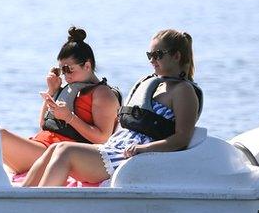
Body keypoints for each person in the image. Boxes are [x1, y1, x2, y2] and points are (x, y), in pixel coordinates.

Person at [22, 29, 203, 187]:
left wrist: (143, 149)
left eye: (158, 55)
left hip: (130, 157)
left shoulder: (184, 91)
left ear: (177, 56)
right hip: (115, 148)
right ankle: (21, 199)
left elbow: (182, 139)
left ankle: (40, 210)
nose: (152, 61)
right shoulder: (155, 85)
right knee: (57, 148)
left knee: (66, 151)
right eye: (150, 55)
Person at [0, 27, 121, 175]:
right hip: (41, 145)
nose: (65, 75)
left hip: (58, 154)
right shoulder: (69, 89)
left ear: (87, 66)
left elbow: (103, 138)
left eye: (68, 69)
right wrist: (52, 90)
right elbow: (44, 124)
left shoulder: (102, 94)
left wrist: (69, 118)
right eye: (61, 70)